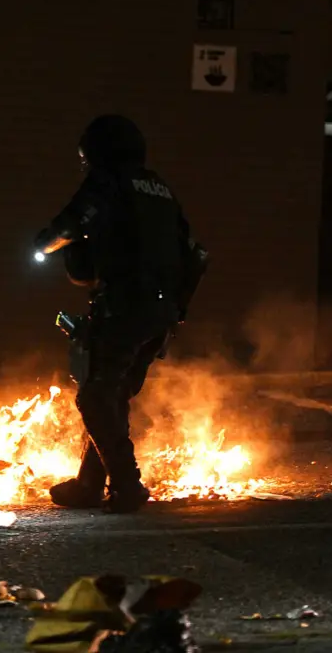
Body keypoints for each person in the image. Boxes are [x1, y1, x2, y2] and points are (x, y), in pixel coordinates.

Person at [33, 115, 208, 513]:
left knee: (95, 398)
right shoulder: (160, 188)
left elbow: (71, 222)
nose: (85, 164)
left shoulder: (108, 181)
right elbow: (191, 248)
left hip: (126, 307)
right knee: (113, 394)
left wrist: (44, 244)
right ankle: (88, 485)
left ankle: (127, 486)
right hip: (162, 311)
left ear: (99, 151)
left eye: (86, 157)